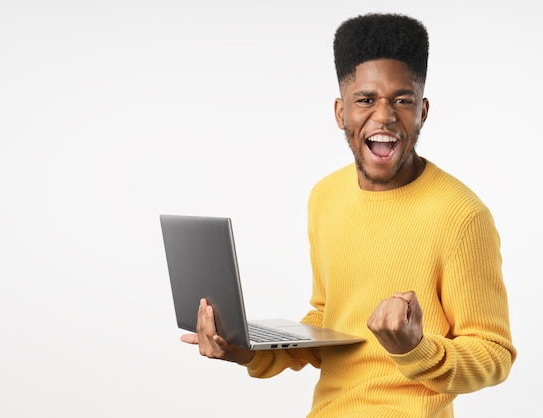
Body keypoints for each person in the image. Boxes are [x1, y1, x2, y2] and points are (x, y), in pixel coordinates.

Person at [180, 12, 517, 417]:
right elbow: (329, 318)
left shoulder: (462, 216)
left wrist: (416, 350)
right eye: (366, 99)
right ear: (341, 112)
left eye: (402, 100)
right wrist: (247, 350)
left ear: (422, 112)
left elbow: (494, 356)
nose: (385, 115)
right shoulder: (325, 196)